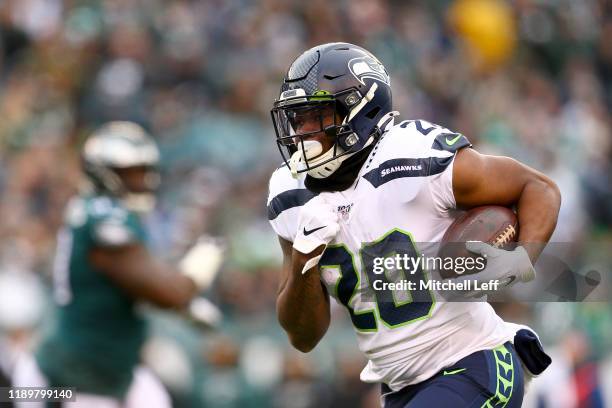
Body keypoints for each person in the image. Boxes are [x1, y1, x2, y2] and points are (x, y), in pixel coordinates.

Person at [267, 43, 560, 407]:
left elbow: (537, 187)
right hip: (401, 391)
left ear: (362, 109)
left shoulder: (413, 156)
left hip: (475, 362)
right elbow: (303, 336)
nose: (305, 132)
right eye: (298, 118)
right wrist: (303, 260)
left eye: (319, 115)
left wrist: (522, 257)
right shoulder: (289, 195)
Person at [12, 121, 223, 408]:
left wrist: (184, 305)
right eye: (129, 173)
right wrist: (200, 267)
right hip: (71, 378)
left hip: (108, 372)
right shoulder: (104, 216)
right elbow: (170, 291)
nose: (142, 181)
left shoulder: (101, 213)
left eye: (144, 170)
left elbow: (129, 284)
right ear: (102, 173)